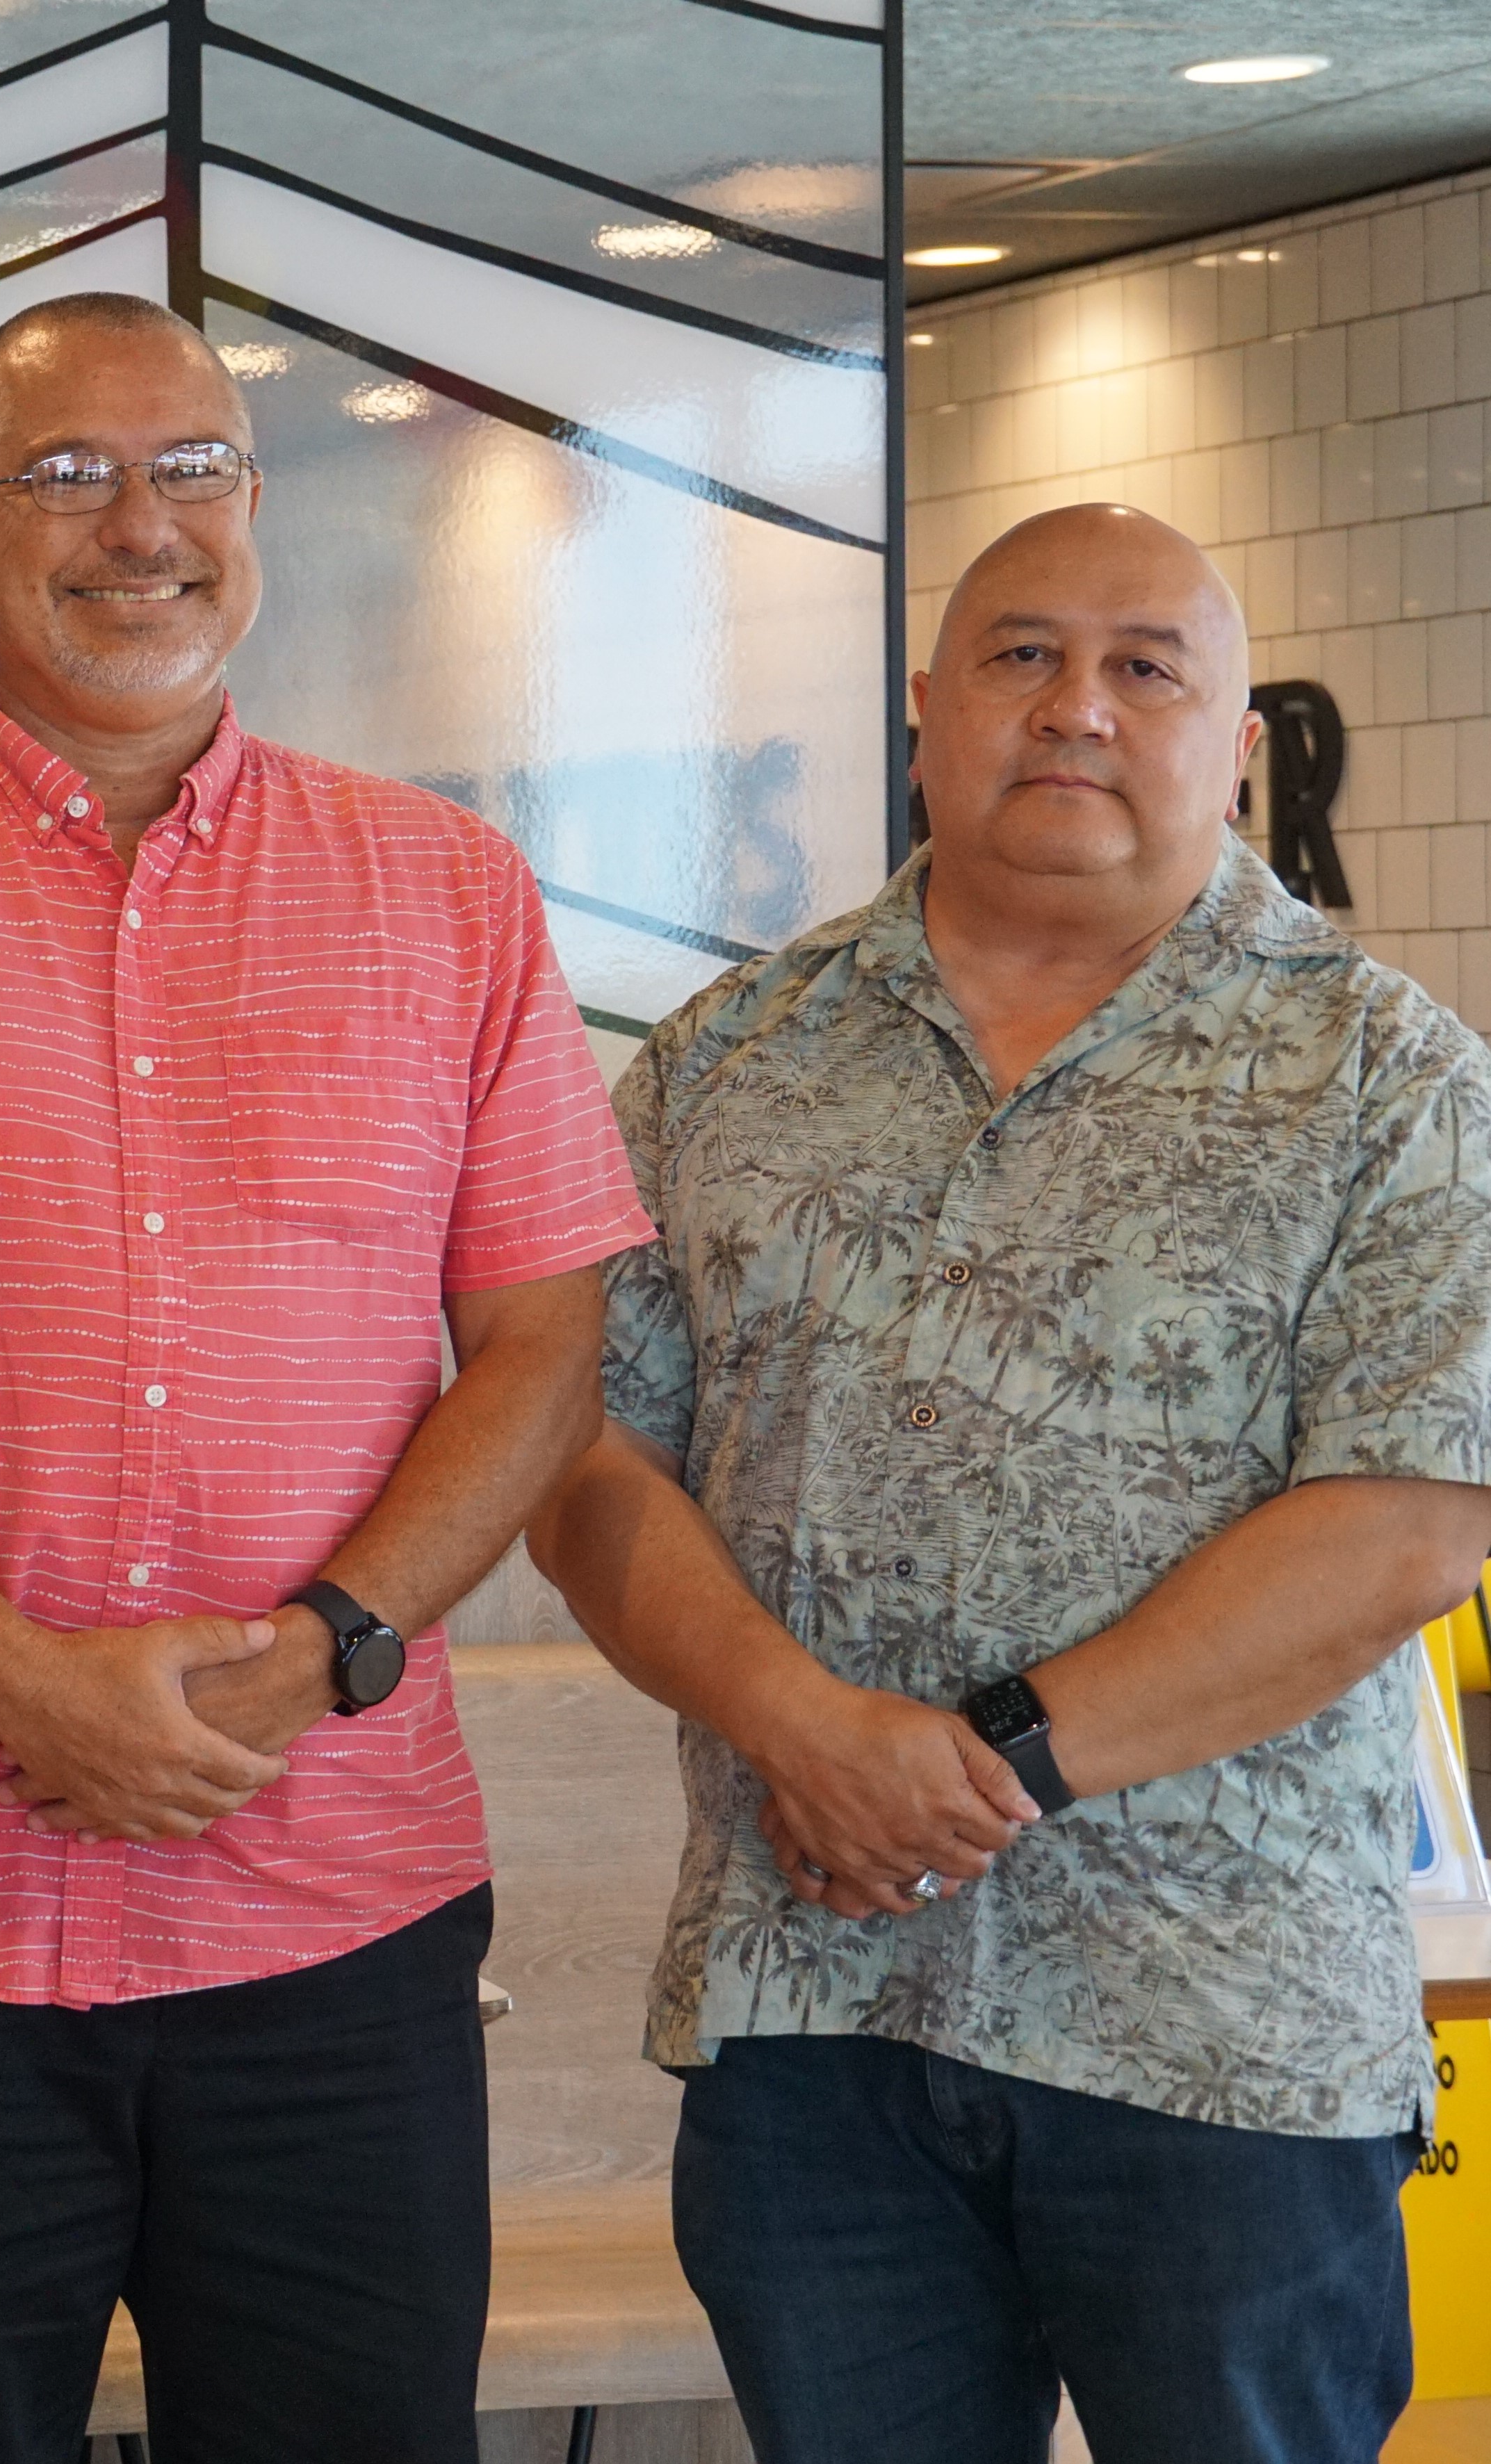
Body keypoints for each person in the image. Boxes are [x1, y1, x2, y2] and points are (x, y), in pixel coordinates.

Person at [0, 293, 655, 2463]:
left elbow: (544, 1346)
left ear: (257, 508)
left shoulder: (449, 892)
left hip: (334, 1914)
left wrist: (327, 1653)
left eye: (191, 466)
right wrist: (21, 1678)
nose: (139, 527)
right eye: (63, 476)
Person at [528, 502, 1491, 2464]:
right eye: (1021, 654)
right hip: (814, 2018)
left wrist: (986, 1768)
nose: (1077, 705)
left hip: (1216, 2038)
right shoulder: (730, 1059)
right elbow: (580, 1443)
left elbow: (1409, 1516)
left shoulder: (1391, 1076)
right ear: (923, 713)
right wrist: (803, 1728)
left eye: (1147, 666)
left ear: (1233, 741)